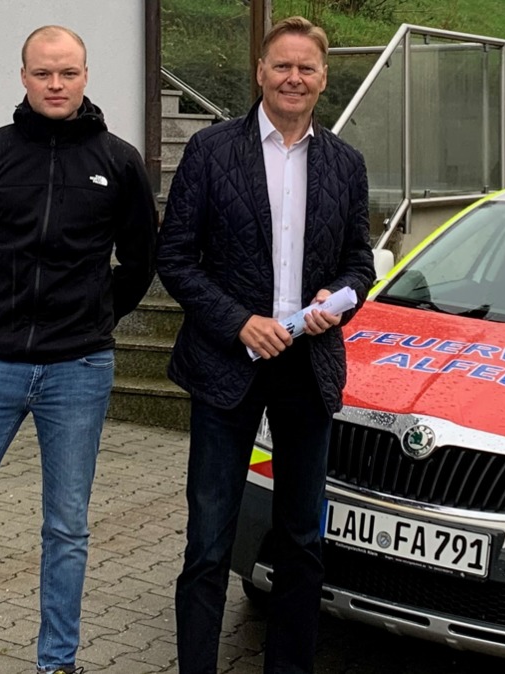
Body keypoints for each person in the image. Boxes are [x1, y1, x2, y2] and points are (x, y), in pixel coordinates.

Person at [0, 25, 157, 674]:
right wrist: (5, 308)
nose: (55, 84)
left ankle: (58, 663)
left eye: (67, 73)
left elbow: (138, 260)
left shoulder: (119, 160)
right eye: (43, 73)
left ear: (84, 76)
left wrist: (95, 315)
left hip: (79, 369)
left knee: (67, 528)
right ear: (22, 77)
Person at [156, 15, 374, 674]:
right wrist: (236, 321)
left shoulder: (345, 163)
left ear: (324, 78)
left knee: (303, 540)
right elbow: (176, 256)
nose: (294, 78)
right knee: (209, 541)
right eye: (283, 65)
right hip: (229, 365)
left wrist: (334, 301)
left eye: (307, 68)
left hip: (307, 367)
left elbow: (360, 266)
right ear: (261, 71)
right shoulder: (211, 150)